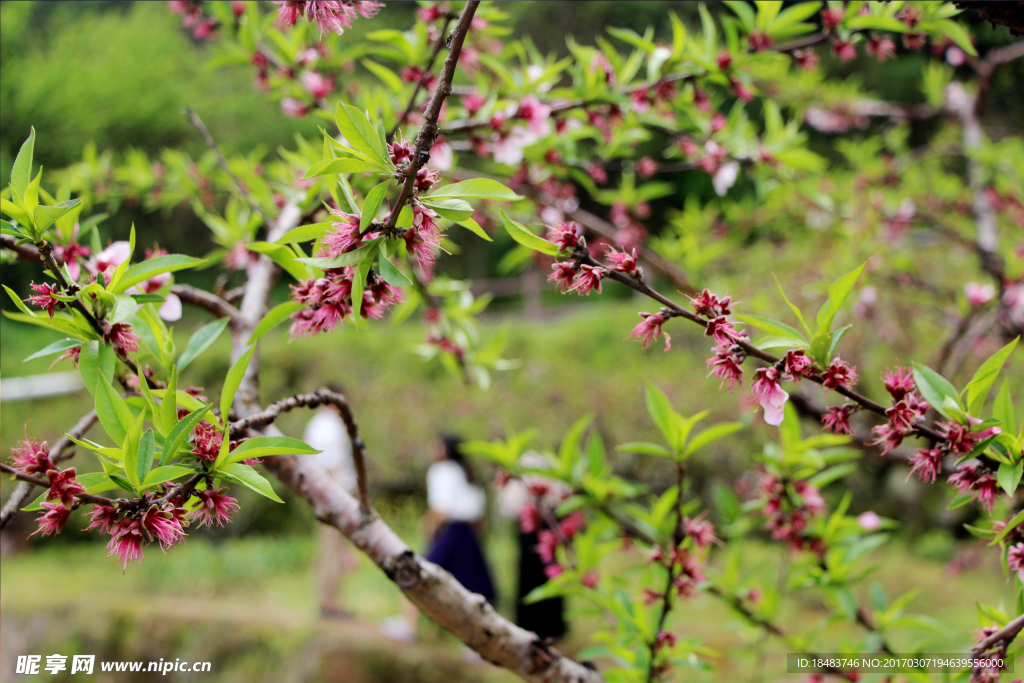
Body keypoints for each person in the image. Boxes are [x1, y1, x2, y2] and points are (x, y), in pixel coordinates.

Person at [381, 435, 496, 643]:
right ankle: (479, 641)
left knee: (414, 574)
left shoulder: (441, 471)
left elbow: (442, 508)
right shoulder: (467, 472)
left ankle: (407, 625)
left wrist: (428, 527)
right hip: (469, 533)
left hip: (450, 531)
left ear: (444, 449)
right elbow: (479, 514)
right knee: (473, 588)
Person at [496, 452, 569, 640]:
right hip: (546, 526)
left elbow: (509, 508)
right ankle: (552, 626)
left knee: (530, 577)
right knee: (549, 575)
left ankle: (530, 625)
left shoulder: (521, 470)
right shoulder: (550, 469)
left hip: (533, 530)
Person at [303, 390, 358, 619]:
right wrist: (340, 499)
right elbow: (332, 464)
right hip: (332, 495)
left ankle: (329, 599)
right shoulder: (328, 426)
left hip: (325, 494)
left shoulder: (319, 424)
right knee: (332, 548)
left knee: (331, 547)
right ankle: (330, 601)